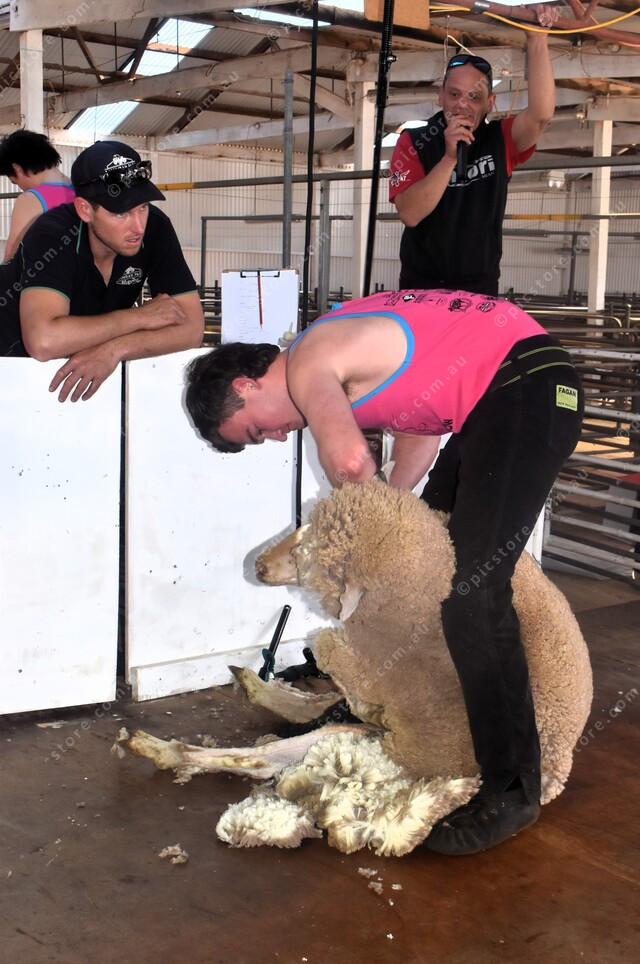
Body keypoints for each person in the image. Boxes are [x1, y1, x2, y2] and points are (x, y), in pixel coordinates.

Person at [183, 287, 584, 855]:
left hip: (526, 388)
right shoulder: (340, 351)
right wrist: (392, 523)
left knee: (471, 595)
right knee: (425, 571)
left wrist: (362, 536)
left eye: (257, 431)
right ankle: (402, 706)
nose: (276, 438)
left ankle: (513, 790)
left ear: (246, 385)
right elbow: (420, 431)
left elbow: (350, 462)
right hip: (499, 397)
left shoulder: (310, 361)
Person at [0, 139, 204, 401]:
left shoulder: (156, 227)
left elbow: (192, 328)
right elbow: (44, 341)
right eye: (121, 214)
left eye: (142, 207)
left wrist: (116, 348)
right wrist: (139, 318)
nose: (138, 226)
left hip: (74, 364)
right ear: (85, 210)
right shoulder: (52, 234)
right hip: (10, 361)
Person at [389, 8, 557, 295]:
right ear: (440, 96)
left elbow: (541, 116)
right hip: (420, 288)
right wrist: (449, 159)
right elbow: (410, 213)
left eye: (474, 97)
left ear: (490, 103)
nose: (462, 105)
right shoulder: (412, 141)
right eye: (454, 94)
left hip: (479, 289)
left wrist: (537, 39)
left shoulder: (500, 139)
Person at [0, 129, 75, 262]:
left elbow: (12, 258)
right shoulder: (81, 188)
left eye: (15, 181)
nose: (21, 188)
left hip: (50, 272)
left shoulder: (31, 199)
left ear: (18, 169)